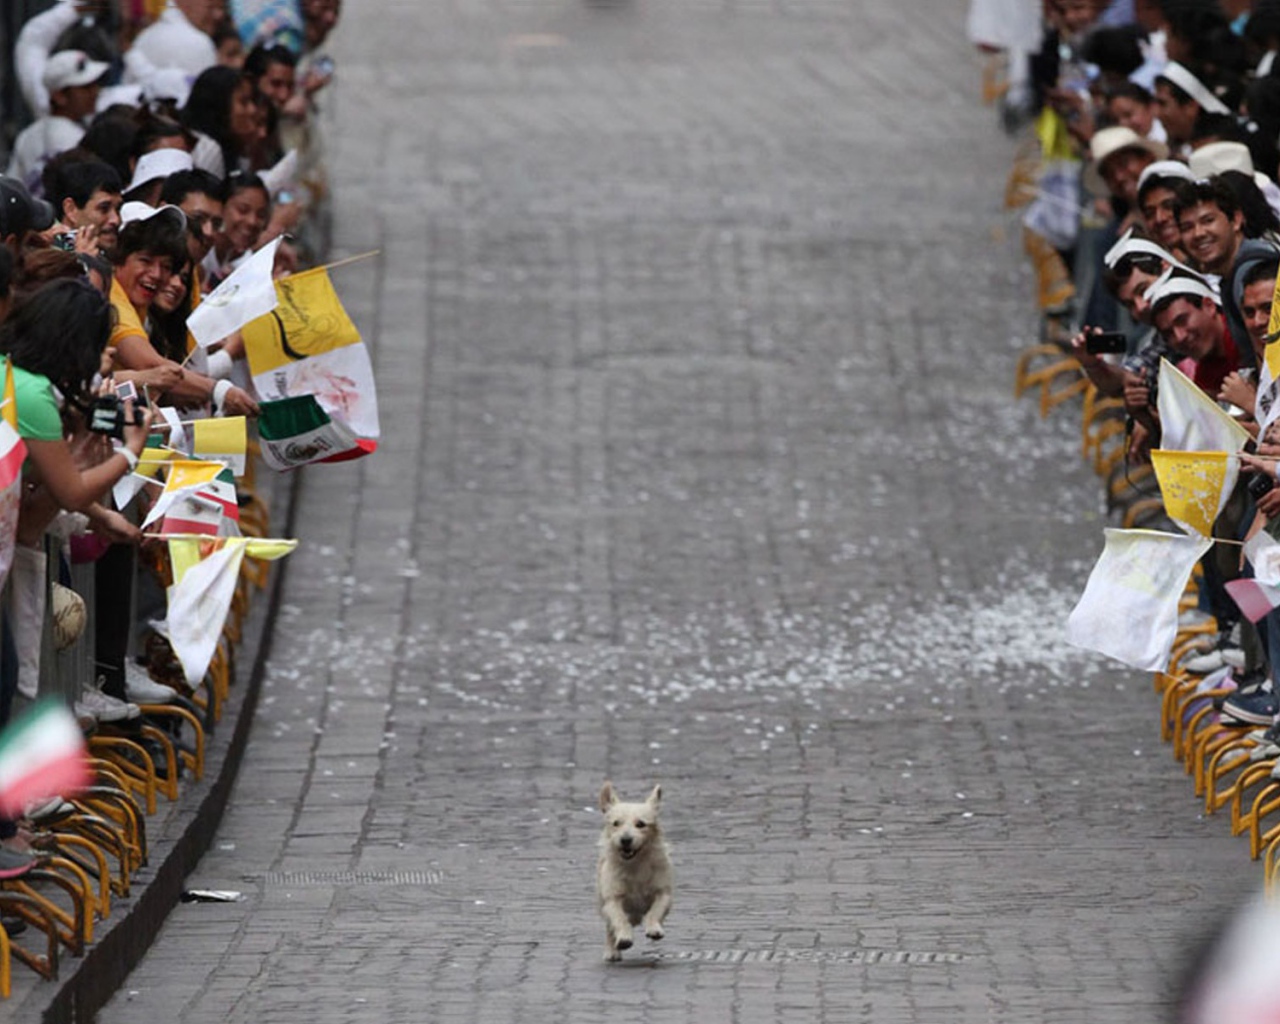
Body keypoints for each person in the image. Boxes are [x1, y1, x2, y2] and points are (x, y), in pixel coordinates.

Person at [109, 202, 257, 416]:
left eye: (166, 266)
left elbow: (138, 381)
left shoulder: (142, 309)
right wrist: (221, 391)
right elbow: (150, 366)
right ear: (118, 259)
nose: (157, 274)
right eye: (145, 261)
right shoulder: (111, 297)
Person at [6, 50, 110, 195]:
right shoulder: (72, 137)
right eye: (85, 88)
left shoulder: (27, 134)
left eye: (94, 85)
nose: (95, 92)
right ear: (60, 96)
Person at [125, 0, 224, 86]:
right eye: (210, 6)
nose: (218, 15)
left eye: (221, 7)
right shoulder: (198, 43)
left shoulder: (144, 38)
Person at [43, 157, 123, 256]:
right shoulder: (43, 258)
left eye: (118, 209)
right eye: (104, 208)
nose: (116, 220)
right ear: (71, 209)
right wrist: (83, 261)